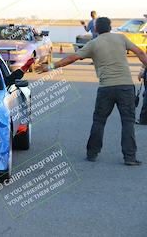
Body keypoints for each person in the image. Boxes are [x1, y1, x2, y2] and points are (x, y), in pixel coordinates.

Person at [36, 17, 147, 166]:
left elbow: (72, 58)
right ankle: (130, 157)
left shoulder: (93, 43)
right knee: (128, 122)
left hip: (106, 88)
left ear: (95, 29)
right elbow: (140, 52)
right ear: (110, 27)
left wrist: (49, 67)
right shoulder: (121, 38)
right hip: (126, 86)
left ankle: (92, 153)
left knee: (99, 121)